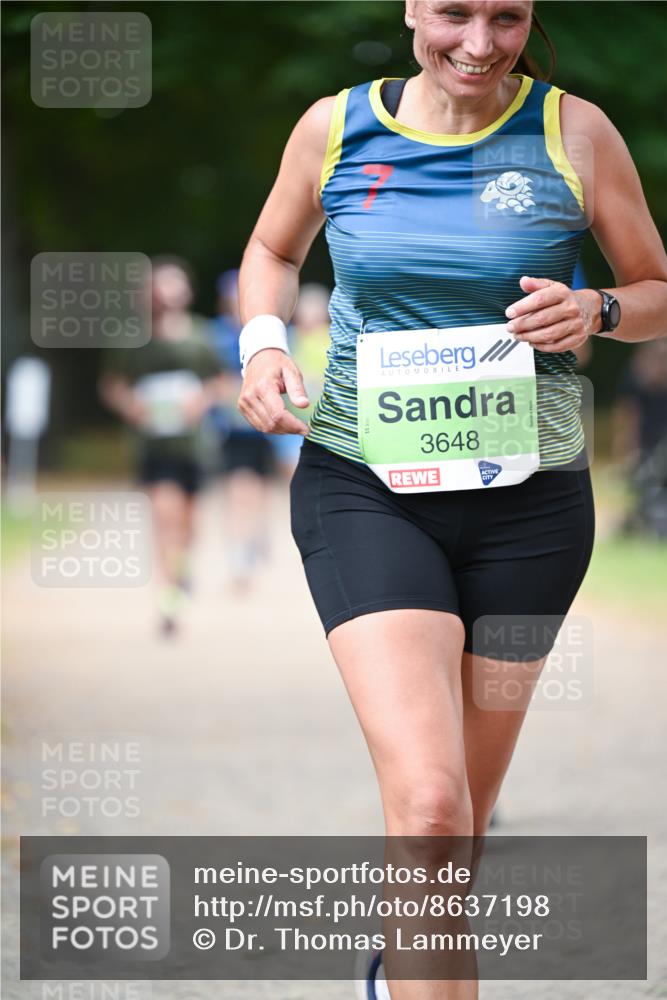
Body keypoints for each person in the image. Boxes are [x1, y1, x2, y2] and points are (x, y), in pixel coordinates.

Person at [237, 3, 667, 997]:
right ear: (409, 10)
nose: (479, 41)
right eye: (453, 13)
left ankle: (398, 969)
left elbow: (653, 286)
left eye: (506, 16)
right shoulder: (335, 128)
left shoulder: (575, 132)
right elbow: (269, 251)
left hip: (533, 508)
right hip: (365, 488)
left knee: (459, 822)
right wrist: (262, 347)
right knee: (428, 806)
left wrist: (595, 309)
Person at [100, 257, 224, 635]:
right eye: (161, 285)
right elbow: (113, 385)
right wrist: (131, 407)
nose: (168, 293)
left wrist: (199, 402)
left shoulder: (201, 335)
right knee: (165, 516)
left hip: (194, 446)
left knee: (188, 522)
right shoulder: (132, 337)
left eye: (175, 284)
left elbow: (220, 381)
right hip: (153, 447)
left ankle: (180, 571)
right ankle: (168, 597)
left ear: (186, 291)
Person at [208, 269, 275, 590]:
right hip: (229, 427)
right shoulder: (215, 334)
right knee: (239, 487)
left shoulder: (268, 333)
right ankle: (240, 552)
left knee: (256, 487)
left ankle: (254, 537)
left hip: (264, 426)